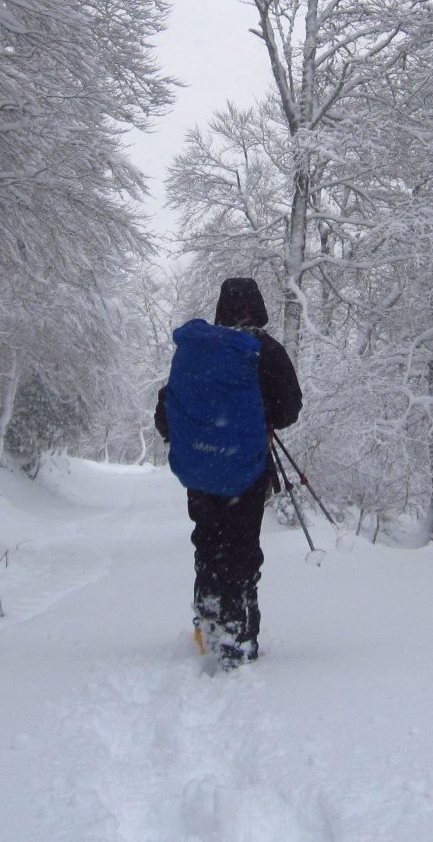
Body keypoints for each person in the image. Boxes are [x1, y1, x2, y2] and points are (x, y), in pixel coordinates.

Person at [154, 277, 302, 668]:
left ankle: (208, 621)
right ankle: (239, 636)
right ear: (259, 306)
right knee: (242, 549)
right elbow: (290, 408)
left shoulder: (199, 351)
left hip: (201, 469)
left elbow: (165, 415)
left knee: (208, 542)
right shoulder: (265, 351)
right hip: (247, 467)